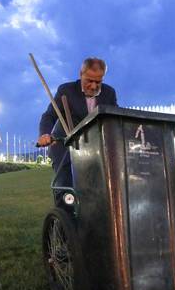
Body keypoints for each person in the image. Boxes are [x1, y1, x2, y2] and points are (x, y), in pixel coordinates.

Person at [37, 57, 118, 191]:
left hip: (93, 149)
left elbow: (113, 119)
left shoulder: (109, 93)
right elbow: (49, 115)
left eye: (98, 81)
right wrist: (45, 134)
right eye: (89, 80)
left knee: (95, 189)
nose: (93, 86)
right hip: (64, 148)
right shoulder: (66, 90)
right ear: (81, 75)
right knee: (66, 188)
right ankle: (63, 210)